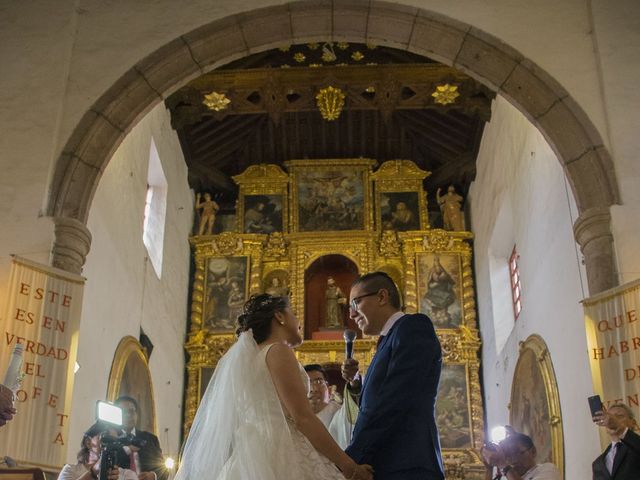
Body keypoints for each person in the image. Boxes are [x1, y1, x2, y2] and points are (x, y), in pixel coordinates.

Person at [174, 294, 373, 480]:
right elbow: (303, 418)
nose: (299, 322)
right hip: (283, 449)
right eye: (293, 314)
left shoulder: (249, 360)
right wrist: (349, 466)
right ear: (279, 317)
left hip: (253, 453)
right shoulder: (278, 350)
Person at [342, 271, 444, 480]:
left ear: (381, 297)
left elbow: (396, 398)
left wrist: (352, 457)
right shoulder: (388, 341)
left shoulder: (413, 326)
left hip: (407, 465)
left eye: (356, 304)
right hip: (384, 464)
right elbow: (380, 397)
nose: (351, 315)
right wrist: (356, 382)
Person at [58, 421, 136, 480]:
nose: (111, 444)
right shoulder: (70, 470)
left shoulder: (126, 475)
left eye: (115, 441)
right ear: (88, 443)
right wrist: (93, 472)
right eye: (105, 438)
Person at [304, 364, 357, 449]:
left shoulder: (340, 415)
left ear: (329, 389)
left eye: (319, 382)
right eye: (307, 383)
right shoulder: (294, 417)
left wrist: (353, 382)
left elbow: (352, 412)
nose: (313, 389)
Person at [114, 396, 168, 480]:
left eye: (131, 411)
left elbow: (163, 470)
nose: (128, 415)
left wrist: (153, 476)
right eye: (123, 412)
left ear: (137, 414)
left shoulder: (150, 439)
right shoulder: (111, 439)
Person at [481, 432, 560, 480]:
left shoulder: (547, 469)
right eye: (507, 456)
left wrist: (502, 464)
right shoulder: (508, 475)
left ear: (533, 451)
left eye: (516, 453)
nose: (513, 460)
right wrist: (489, 469)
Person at [592, 403, 640, 479]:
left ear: (633, 422)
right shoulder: (597, 464)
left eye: (619, 416)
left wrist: (620, 428)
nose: (613, 420)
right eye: (610, 417)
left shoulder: (636, 446)